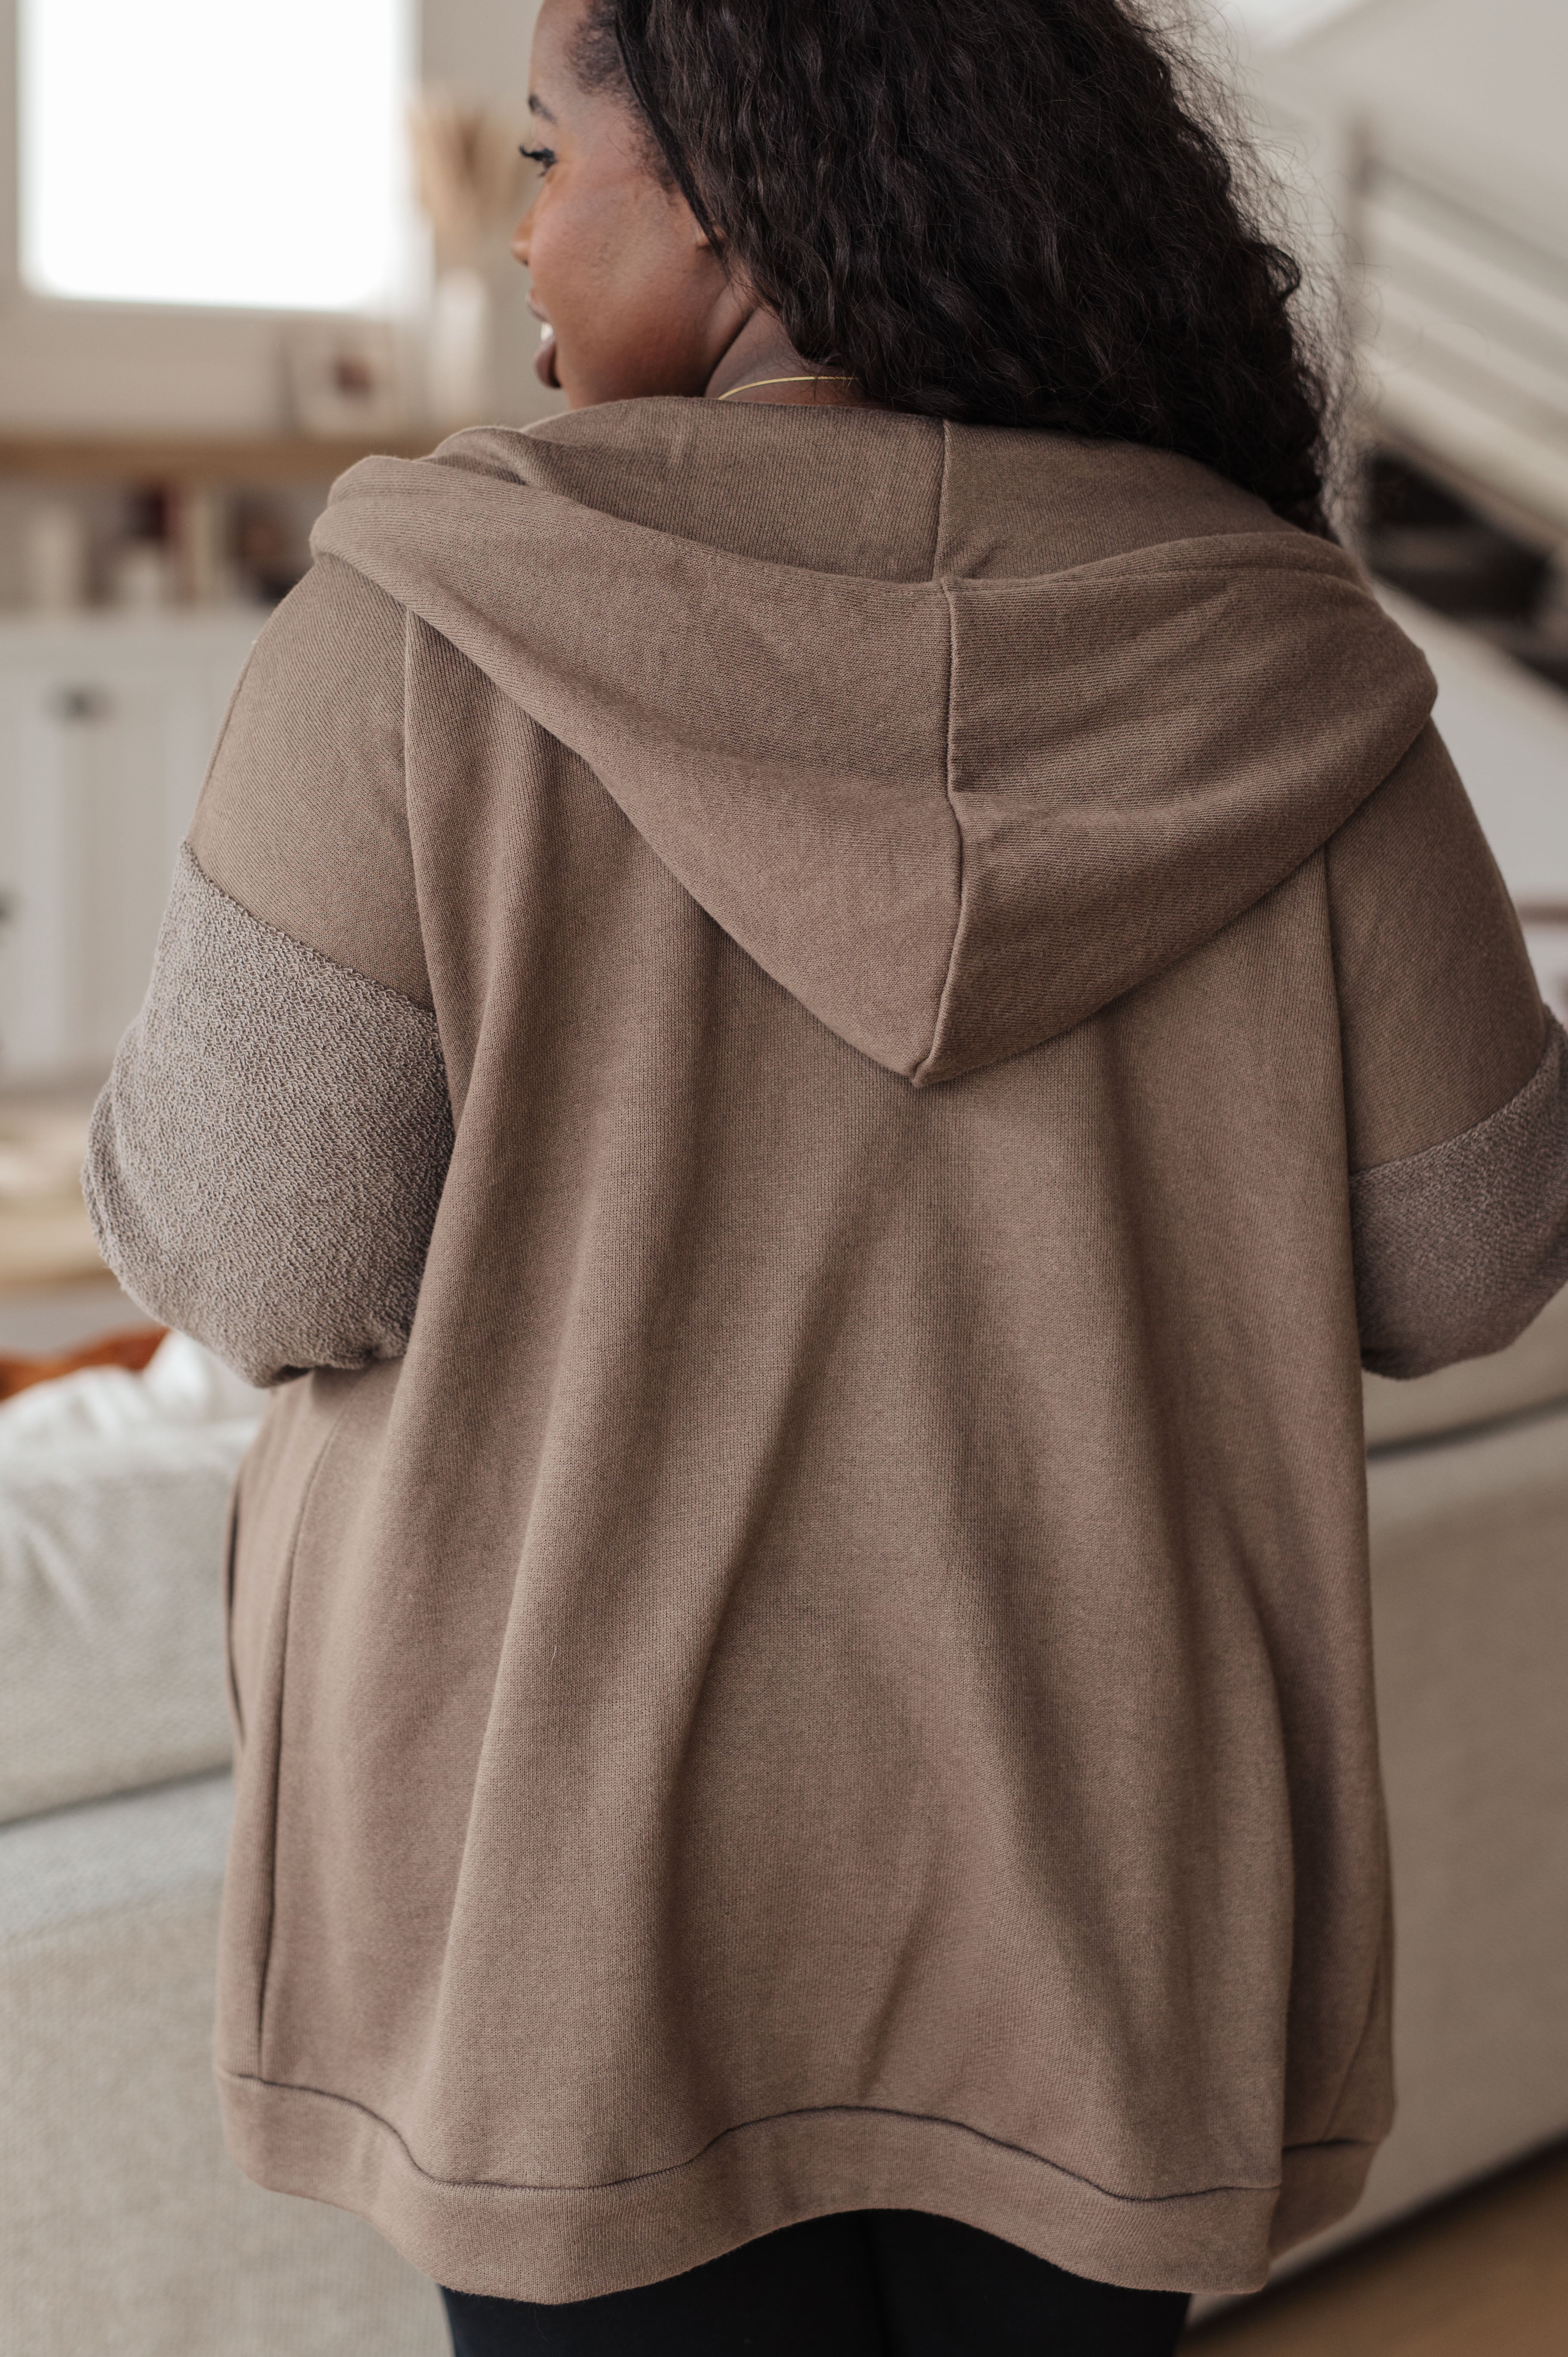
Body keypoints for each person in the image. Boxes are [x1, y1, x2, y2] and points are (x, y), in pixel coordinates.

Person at [86, 0, 1568, 2350]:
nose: (524, 232)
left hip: (570, 1927)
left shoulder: (415, 624)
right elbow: (1474, 1250)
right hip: (1106, 1899)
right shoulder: (1291, 662)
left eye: (554, 156)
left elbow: (254, 1253)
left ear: (743, 200)